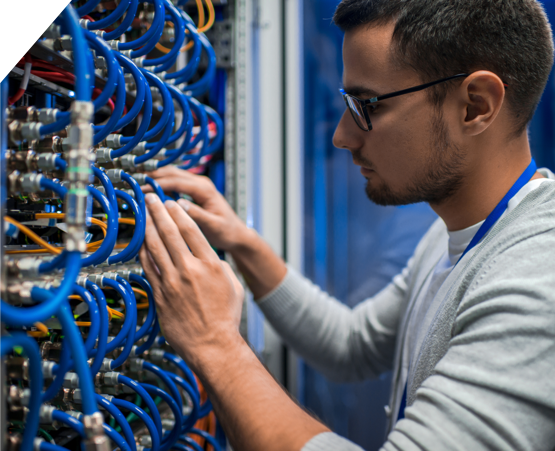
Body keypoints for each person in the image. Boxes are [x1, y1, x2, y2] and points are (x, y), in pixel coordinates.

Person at [139, 0, 555, 449]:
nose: (342, 135)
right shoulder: (456, 233)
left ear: (476, 105)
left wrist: (215, 344)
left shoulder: (537, 280)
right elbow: (351, 345)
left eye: (366, 106)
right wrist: (241, 242)